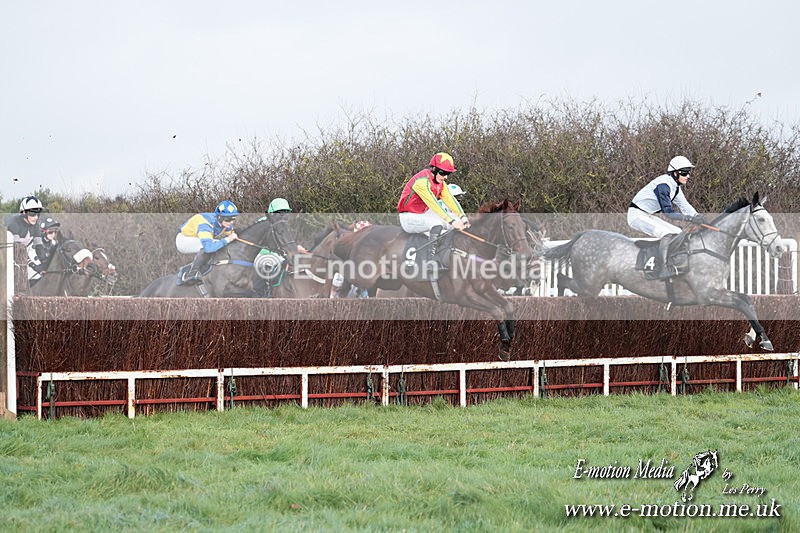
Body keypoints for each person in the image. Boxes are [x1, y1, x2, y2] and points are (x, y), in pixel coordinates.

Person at [628, 156, 707, 279]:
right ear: (675, 173)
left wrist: (698, 217)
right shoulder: (663, 185)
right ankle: (663, 268)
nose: (688, 176)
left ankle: (671, 262)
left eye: (689, 173)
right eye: (685, 173)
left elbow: (684, 205)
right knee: (666, 233)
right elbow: (668, 212)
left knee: (677, 232)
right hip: (636, 216)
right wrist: (689, 219)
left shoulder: (675, 187)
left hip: (648, 215)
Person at [397, 152, 470, 235]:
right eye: (443, 173)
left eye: (448, 174)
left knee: (457, 220)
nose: (445, 177)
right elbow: (433, 204)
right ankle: (432, 248)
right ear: (434, 169)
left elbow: (450, 199)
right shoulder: (421, 182)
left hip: (424, 214)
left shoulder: (441, 183)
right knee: (436, 224)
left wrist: (463, 217)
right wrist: (452, 222)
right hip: (409, 217)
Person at [176, 200, 239, 283]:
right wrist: (227, 239)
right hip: (183, 240)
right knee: (211, 246)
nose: (230, 222)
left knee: (219, 244)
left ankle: (201, 267)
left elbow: (233, 236)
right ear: (219, 217)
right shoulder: (205, 224)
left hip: (195, 239)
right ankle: (190, 275)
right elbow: (208, 248)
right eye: (228, 219)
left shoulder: (225, 223)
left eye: (233, 219)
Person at [6, 196, 48, 276]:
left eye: (38, 214)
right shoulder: (13, 223)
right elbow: (18, 250)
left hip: (17, 258)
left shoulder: (36, 226)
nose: (35, 217)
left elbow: (39, 248)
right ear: (24, 213)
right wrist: (34, 266)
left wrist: (46, 263)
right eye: (32, 213)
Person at [27, 217, 62, 283]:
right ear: (43, 232)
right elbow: (27, 259)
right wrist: (36, 267)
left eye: (55, 231)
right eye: (50, 232)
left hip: (50, 277)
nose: (53, 234)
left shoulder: (55, 243)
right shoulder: (32, 244)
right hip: (32, 278)